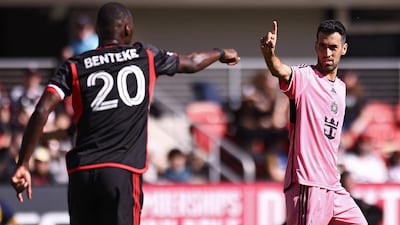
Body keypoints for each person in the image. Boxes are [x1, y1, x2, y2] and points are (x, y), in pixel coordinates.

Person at [10, 2, 240, 225]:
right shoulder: (145, 56)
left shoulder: (74, 65)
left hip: (82, 173)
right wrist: (220, 53)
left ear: (98, 31)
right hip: (120, 171)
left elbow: (41, 110)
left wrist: (23, 163)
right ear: (128, 29)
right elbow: (192, 62)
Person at [260, 20, 367, 224]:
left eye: (333, 47)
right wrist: (269, 54)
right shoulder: (304, 77)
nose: (327, 52)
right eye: (322, 46)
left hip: (333, 185)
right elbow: (280, 71)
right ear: (315, 46)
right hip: (307, 183)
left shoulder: (342, 88)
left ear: (343, 49)